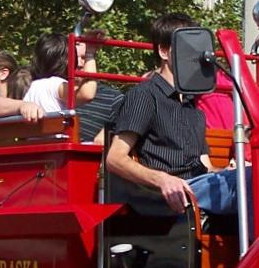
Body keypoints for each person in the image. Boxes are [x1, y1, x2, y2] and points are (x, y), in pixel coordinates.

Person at [106, 13, 247, 216]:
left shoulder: (192, 104)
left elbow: (205, 167)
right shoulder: (145, 94)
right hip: (168, 194)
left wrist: (227, 172)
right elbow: (115, 159)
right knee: (248, 183)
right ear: (164, 51)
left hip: (197, 188)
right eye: (186, 47)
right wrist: (162, 179)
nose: (196, 55)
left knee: (257, 177)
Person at [24, 33, 98, 114]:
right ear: (69, 61)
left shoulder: (31, 85)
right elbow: (86, 94)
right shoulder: (55, 83)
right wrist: (89, 54)